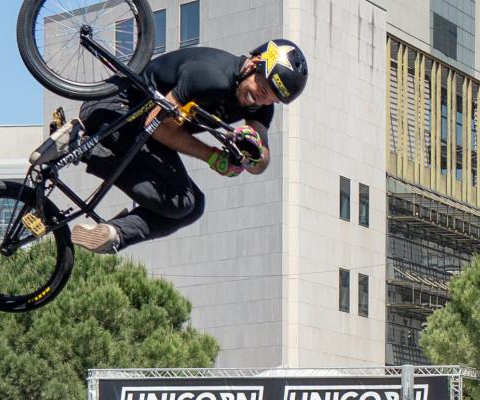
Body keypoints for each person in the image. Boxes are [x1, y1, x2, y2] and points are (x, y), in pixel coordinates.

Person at [62, 38, 308, 255]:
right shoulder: (213, 77)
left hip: (140, 128)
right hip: (115, 111)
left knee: (192, 206)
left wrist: (253, 156)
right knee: (182, 199)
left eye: (271, 99)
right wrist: (211, 155)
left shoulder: (259, 105)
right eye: (262, 89)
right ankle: (83, 143)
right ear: (254, 65)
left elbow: (262, 158)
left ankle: (112, 234)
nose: (260, 100)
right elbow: (156, 124)